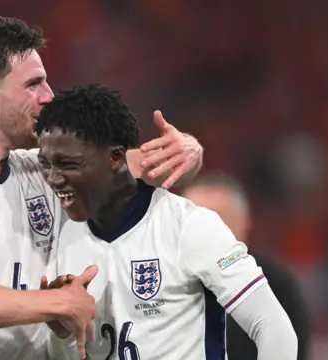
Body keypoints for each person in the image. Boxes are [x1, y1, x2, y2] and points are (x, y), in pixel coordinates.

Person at [0, 12, 204, 360]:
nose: (49, 96)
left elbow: (153, 165)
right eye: (33, 84)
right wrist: (56, 302)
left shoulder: (42, 170)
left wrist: (189, 149)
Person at [38, 84, 297, 360]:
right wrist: (61, 330)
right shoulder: (65, 238)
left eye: (68, 164)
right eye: (46, 164)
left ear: (115, 157)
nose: (53, 178)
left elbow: (273, 328)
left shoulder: (188, 226)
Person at [183, 172, 309, 360]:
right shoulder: (158, 278)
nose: (205, 231)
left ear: (245, 221)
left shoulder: (276, 285)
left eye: (217, 219)